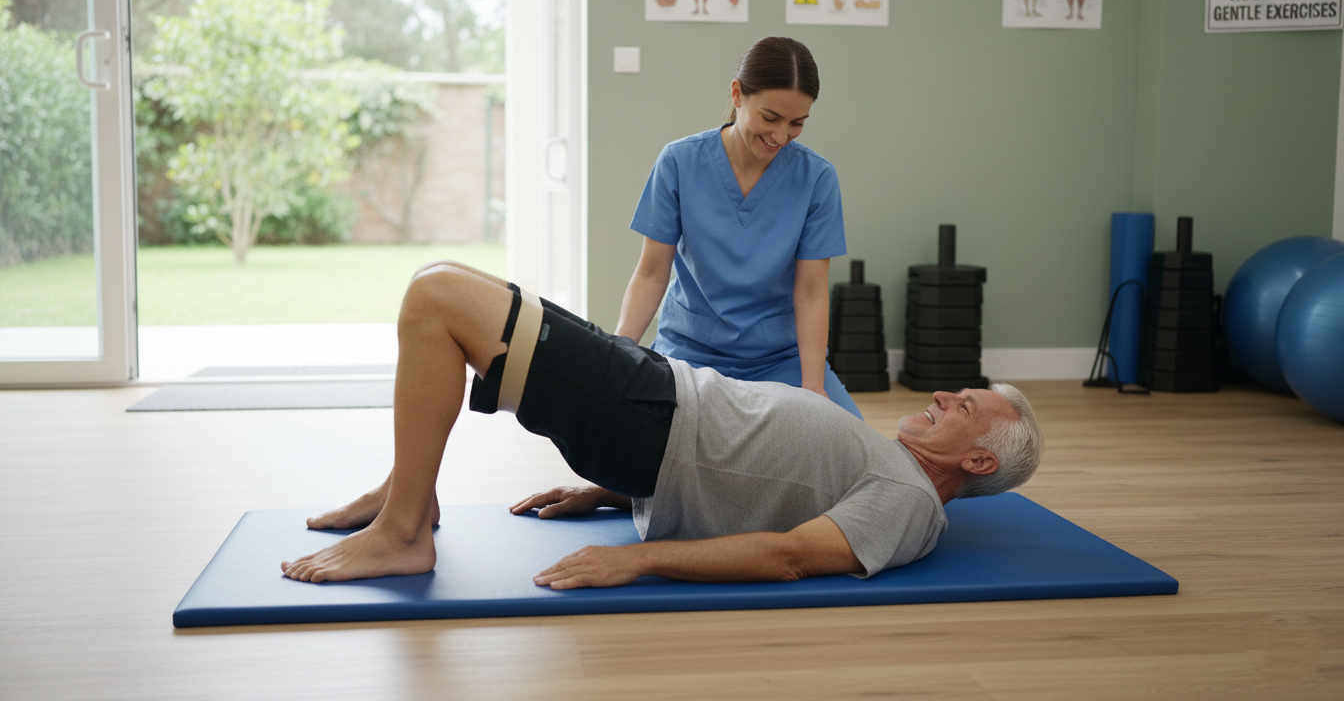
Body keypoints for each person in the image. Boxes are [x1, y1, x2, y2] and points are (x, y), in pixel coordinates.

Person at [280, 261, 1045, 588]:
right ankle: (406, 494)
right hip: (657, 401)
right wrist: (613, 495)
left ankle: (404, 529)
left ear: (979, 462)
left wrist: (637, 561)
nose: (943, 395)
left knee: (438, 300)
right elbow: (770, 489)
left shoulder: (909, 504)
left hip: (654, 418)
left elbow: (788, 555)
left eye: (965, 406)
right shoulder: (890, 468)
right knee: (435, 285)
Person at [616, 36, 863, 419]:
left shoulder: (817, 178)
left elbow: (812, 292)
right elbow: (651, 273)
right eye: (770, 118)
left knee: (847, 442)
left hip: (780, 358)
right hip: (690, 352)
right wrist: (617, 356)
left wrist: (813, 388)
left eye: (797, 123)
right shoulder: (679, 162)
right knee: (639, 436)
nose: (780, 136)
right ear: (737, 94)